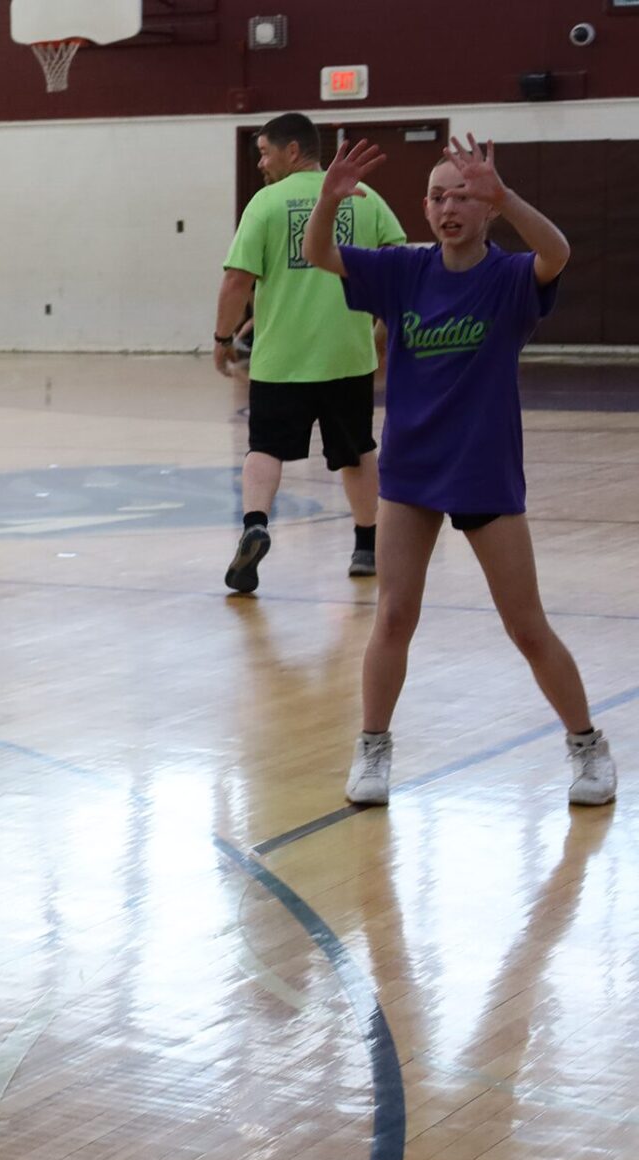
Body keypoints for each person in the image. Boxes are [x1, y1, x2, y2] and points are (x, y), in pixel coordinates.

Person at [307, 136, 617, 808]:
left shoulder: (508, 280)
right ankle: (374, 750)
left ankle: (588, 746)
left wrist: (509, 197)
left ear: (488, 209)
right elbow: (319, 255)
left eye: (466, 196)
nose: (450, 207)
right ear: (424, 208)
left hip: (483, 471)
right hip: (411, 471)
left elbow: (557, 253)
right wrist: (329, 200)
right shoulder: (403, 273)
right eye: (440, 196)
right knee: (392, 616)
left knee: (526, 624)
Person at [215, 112, 407, 594]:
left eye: (264, 152)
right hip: (347, 355)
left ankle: (255, 524)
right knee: (356, 452)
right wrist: (383, 328)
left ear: (293, 151)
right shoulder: (366, 198)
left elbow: (236, 279)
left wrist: (222, 340)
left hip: (281, 360)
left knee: (265, 448)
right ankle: (366, 547)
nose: (261, 163)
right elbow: (400, 268)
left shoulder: (266, 203)